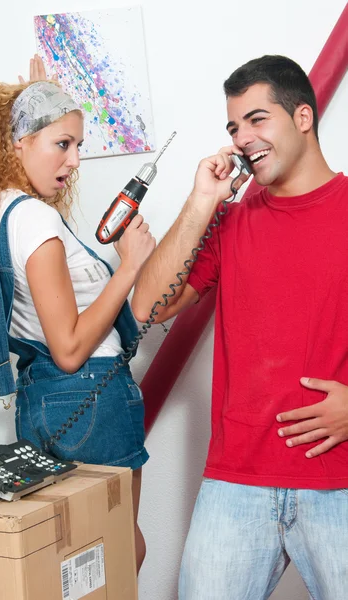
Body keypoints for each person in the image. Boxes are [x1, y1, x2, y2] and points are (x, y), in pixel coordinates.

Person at [132, 55, 348, 599]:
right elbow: (149, 306)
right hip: (236, 481)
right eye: (233, 126)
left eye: (257, 119)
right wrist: (202, 200)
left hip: (338, 479)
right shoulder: (229, 223)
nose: (242, 137)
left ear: (302, 117)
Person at [0, 56, 155, 572]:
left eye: (79, 145)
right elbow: (67, 348)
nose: (74, 160)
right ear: (18, 143)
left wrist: (42, 92)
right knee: (118, 548)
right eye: (62, 144)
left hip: (42, 402)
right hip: (90, 396)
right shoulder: (36, 219)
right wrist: (130, 266)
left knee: (75, 556)